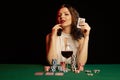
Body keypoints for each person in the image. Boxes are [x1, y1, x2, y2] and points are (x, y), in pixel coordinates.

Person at [46, 4, 91, 71]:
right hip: (57, 73)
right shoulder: (50, 36)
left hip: (73, 74)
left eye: (66, 14)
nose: (61, 16)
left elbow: (81, 64)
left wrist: (87, 37)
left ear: (73, 17)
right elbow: (51, 62)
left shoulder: (80, 38)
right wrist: (53, 37)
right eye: (59, 15)